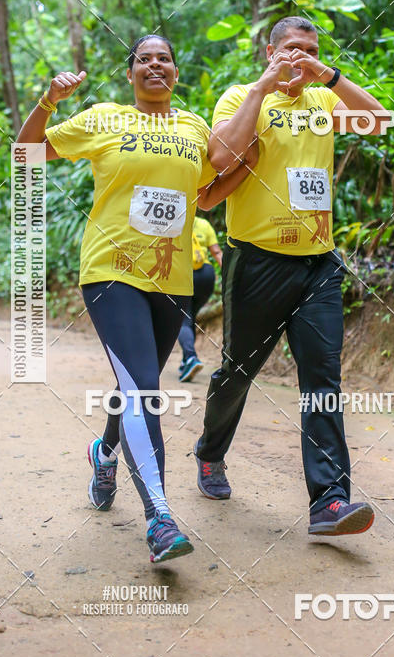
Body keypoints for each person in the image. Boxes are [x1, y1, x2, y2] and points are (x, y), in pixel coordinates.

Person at [17, 34, 257, 563]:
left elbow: (203, 197)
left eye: (164, 58)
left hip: (170, 280)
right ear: (131, 74)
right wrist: (47, 103)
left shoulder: (194, 128)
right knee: (145, 388)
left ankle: (104, 453)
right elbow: (29, 150)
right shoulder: (104, 118)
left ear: (175, 72)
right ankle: (160, 519)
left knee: (132, 383)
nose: (155, 65)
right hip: (111, 272)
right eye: (144, 59)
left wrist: (246, 163)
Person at [194, 15, 391, 537]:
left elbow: (380, 120)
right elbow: (219, 155)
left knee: (322, 380)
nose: (301, 57)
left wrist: (329, 76)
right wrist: (263, 88)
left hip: (319, 264)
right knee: (238, 371)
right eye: (293, 49)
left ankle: (329, 502)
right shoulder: (242, 96)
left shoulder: (325, 101)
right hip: (257, 261)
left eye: (310, 49)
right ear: (270, 52)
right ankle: (210, 452)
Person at [177, 215, 222, 382]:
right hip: (206, 276)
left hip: (184, 274)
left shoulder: (174, 221)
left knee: (183, 319)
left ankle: (190, 358)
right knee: (190, 318)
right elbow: (217, 252)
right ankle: (184, 361)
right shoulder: (203, 224)